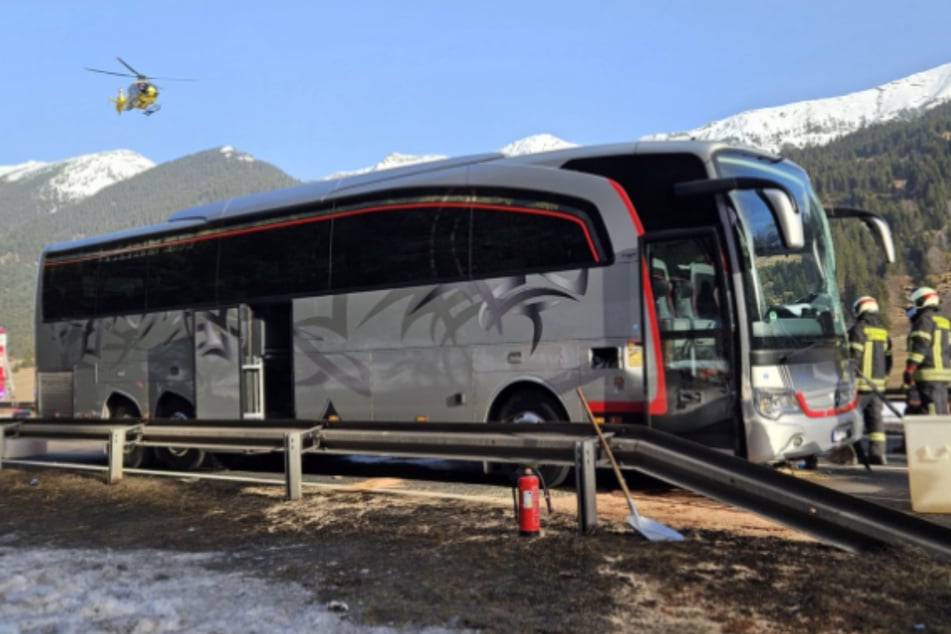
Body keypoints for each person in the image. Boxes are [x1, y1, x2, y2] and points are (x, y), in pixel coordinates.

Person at [848, 296, 893, 464]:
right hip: (877, 387)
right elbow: (889, 360)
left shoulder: (858, 330)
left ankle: (853, 454)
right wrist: (884, 378)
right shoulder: (883, 332)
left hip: (860, 386)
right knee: (875, 420)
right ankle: (878, 454)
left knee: (852, 419)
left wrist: (847, 379)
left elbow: (853, 358)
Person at [903, 286, 951, 416]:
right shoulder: (944, 322)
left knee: (932, 411)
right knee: (940, 410)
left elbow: (920, 345)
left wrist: (910, 367)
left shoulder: (924, 320)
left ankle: (934, 429)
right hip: (944, 374)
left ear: (921, 301)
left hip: (928, 373)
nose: (913, 307)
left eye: (914, 303)